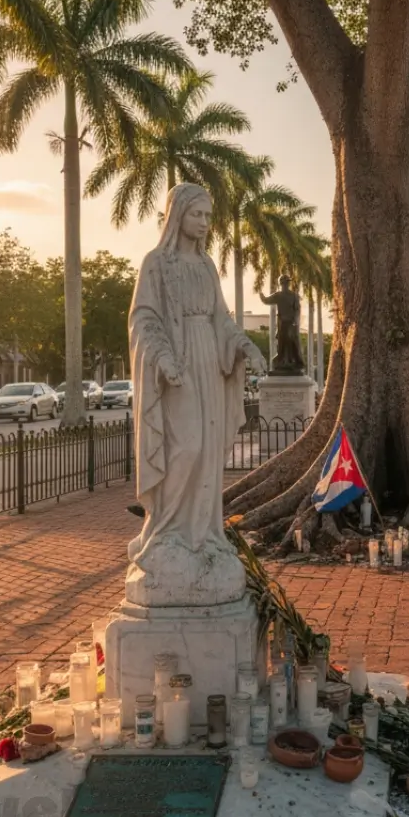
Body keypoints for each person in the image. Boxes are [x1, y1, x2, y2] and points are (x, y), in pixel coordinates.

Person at [126, 182, 268, 605]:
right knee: (184, 447)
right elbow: (143, 319)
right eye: (197, 215)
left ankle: (202, 534)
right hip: (179, 367)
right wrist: (164, 359)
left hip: (209, 365)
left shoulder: (207, 266)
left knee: (207, 448)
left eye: (209, 217)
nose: (205, 224)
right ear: (177, 215)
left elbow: (220, 318)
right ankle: (166, 532)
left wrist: (245, 344)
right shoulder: (156, 264)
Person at [259, 275, 305, 374]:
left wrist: (295, 321)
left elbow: (297, 310)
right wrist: (261, 295)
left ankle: (293, 362)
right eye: (284, 283)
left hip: (291, 323)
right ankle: (282, 362)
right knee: (282, 344)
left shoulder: (293, 296)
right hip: (282, 323)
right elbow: (266, 300)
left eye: (287, 283)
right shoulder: (278, 295)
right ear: (281, 284)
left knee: (291, 343)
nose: (286, 285)